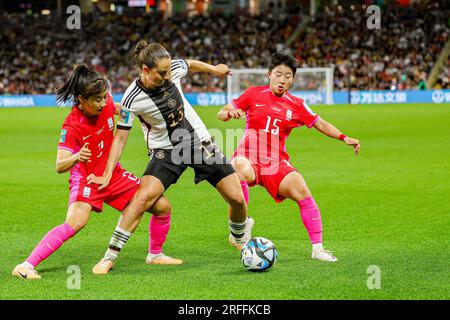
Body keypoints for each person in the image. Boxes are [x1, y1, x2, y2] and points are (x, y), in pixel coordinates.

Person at [90, 41, 254, 274]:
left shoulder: (171, 68)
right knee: (143, 197)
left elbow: (189, 64)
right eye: (162, 73)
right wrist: (107, 173)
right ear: (145, 70)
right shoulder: (131, 98)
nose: (168, 76)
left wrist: (214, 69)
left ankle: (238, 237)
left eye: (169, 71)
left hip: (197, 142)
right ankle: (110, 256)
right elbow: (120, 138)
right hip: (165, 151)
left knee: (237, 198)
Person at [12, 64, 179, 280]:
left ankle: (155, 254)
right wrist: (76, 156)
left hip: (113, 174)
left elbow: (119, 109)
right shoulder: (72, 126)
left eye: (104, 97)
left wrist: (140, 113)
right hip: (87, 178)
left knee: (162, 207)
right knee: (76, 223)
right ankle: (25, 265)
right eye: (97, 100)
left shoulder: (106, 101)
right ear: (81, 99)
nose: (103, 103)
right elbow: (59, 165)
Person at [217, 51, 361, 262]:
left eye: (287, 76)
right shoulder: (253, 93)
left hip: (275, 161)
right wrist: (230, 113)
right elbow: (221, 113)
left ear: (293, 79)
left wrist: (343, 137)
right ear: (269, 74)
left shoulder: (297, 104)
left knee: (302, 191)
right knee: (237, 168)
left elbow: (320, 123)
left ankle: (318, 249)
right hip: (248, 155)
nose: (282, 80)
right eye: (278, 74)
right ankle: (241, 226)